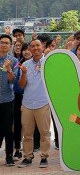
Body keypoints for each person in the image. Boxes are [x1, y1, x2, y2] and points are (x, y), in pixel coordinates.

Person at [17, 39, 51, 168]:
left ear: (42, 47)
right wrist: (24, 73)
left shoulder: (49, 62)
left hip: (43, 102)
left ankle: (44, 157)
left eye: (37, 45)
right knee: (27, 133)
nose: (35, 48)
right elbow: (21, 86)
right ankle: (27, 157)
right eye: (32, 46)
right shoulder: (25, 64)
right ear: (29, 49)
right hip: (27, 103)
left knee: (45, 132)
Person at [0, 34, 19, 166]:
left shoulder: (13, 61)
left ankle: (9, 156)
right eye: (1, 42)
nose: (4, 45)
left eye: (7, 43)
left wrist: (8, 70)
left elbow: (14, 80)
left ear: (10, 45)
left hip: (7, 99)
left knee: (8, 129)